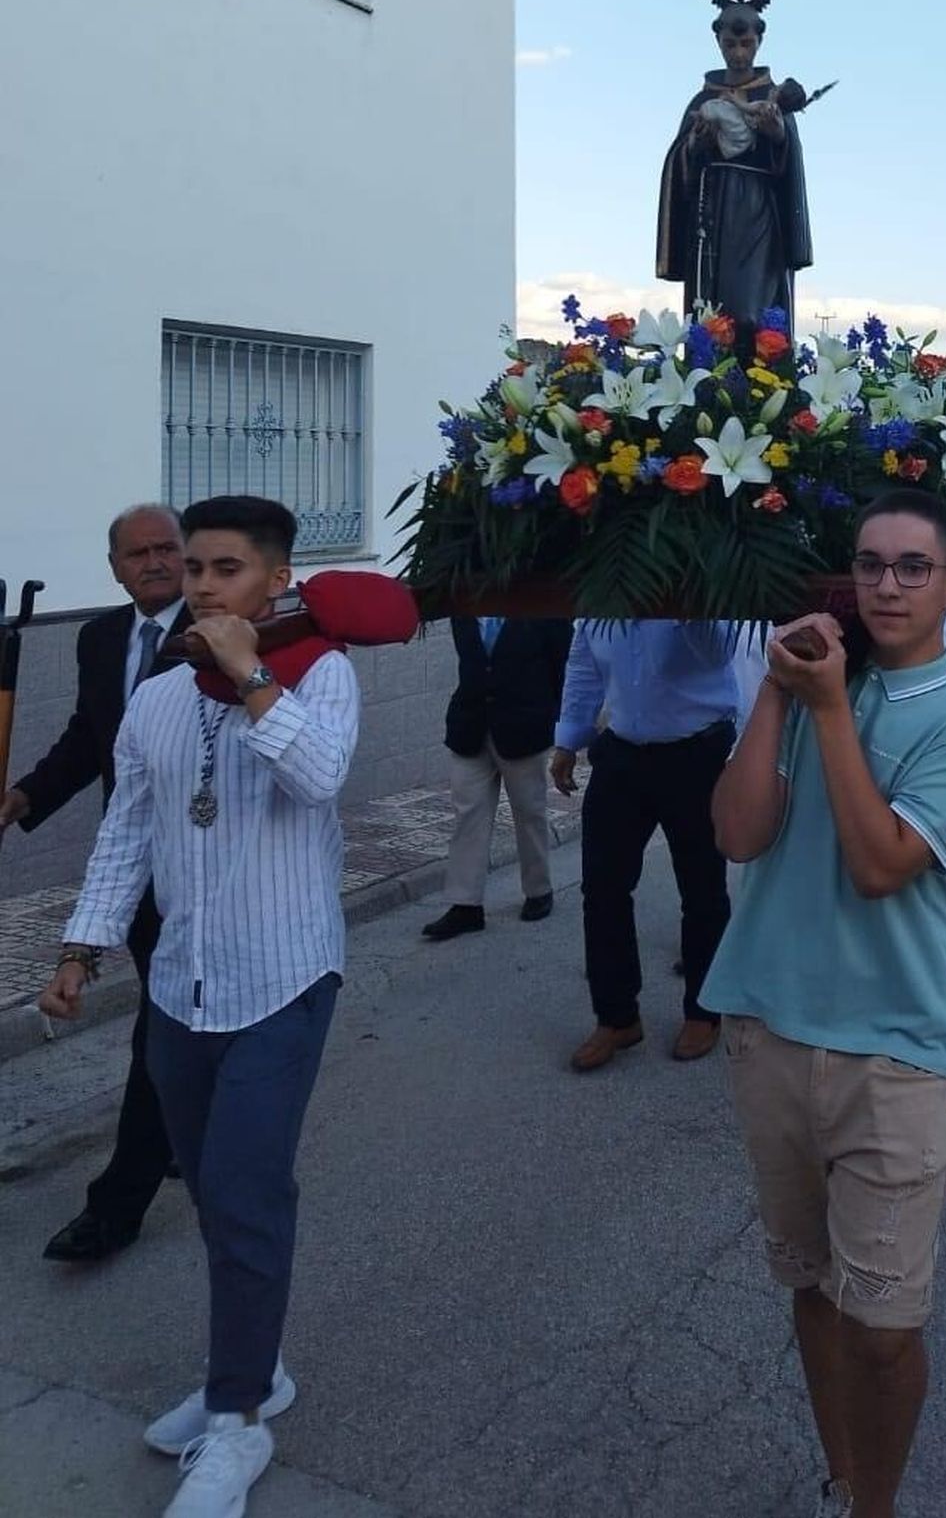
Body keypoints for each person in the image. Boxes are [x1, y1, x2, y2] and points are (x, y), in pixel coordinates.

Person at [37, 496, 361, 1518]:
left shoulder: (319, 671)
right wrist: (81, 948)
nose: (204, 585)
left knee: (246, 1189)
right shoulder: (158, 698)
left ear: (277, 579)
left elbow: (320, 776)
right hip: (181, 984)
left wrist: (253, 676)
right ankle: (254, 1366)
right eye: (195, 567)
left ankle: (239, 1420)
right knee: (217, 1194)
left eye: (228, 568)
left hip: (284, 977)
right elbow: (127, 832)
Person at [701, 490, 946, 1518]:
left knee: (883, 1328)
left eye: (913, 566)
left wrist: (829, 708)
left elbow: (881, 865)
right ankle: (844, 1483)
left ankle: (876, 1503)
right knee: (813, 1287)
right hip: (769, 1028)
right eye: (869, 563)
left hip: (892, 1052)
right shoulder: (812, 682)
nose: (886, 584)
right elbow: (738, 834)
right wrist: (776, 691)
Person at [0, 504, 189, 1264]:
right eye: (137, 553)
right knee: (173, 1015)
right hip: (131, 862)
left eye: (167, 548)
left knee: (163, 1023)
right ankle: (183, 1129)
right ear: (114, 567)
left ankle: (117, 1205)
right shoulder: (101, 637)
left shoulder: (218, 631)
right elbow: (90, 736)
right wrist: (24, 797)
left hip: (207, 864)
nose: (154, 562)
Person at [552, 620, 737, 1069]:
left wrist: (680, 601)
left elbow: (717, 652)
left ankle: (704, 1010)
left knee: (702, 890)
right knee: (602, 889)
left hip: (696, 753)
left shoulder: (698, 592)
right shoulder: (603, 597)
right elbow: (583, 665)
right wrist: (569, 738)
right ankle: (616, 1017)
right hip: (622, 751)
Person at [655, 0, 814, 331]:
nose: (739, 54)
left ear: (759, 40)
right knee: (714, 313)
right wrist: (696, 145)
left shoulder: (773, 98)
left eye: (746, 43)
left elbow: (790, 162)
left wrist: (777, 135)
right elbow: (679, 163)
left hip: (759, 215)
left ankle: (762, 365)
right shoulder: (703, 100)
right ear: (718, 41)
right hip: (711, 212)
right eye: (730, 44)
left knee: (753, 312)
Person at [421, 614, 572, 942]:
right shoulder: (465, 609)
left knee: (529, 811)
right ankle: (465, 904)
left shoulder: (541, 609)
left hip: (525, 726)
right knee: (468, 813)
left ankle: (538, 890)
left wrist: (562, 727)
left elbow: (562, 667)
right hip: (471, 726)